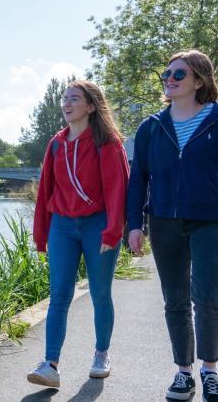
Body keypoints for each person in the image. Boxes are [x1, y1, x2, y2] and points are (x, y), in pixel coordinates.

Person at [126, 49, 218, 402]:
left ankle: (210, 371)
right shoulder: (152, 126)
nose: (169, 79)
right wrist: (134, 224)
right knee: (175, 299)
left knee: (209, 297)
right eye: (166, 73)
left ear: (199, 80)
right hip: (164, 221)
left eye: (178, 74)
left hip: (213, 221)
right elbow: (138, 180)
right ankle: (184, 373)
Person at [28, 80, 129, 387]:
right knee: (59, 295)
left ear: (90, 106)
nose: (67, 103)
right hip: (62, 226)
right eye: (65, 98)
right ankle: (50, 365)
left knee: (100, 293)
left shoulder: (107, 143)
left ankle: (101, 354)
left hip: (98, 225)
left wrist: (112, 232)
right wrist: (41, 234)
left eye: (75, 98)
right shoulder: (56, 143)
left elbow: (117, 190)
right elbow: (46, 189)